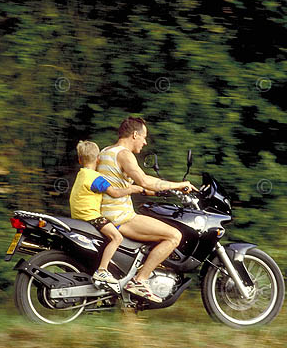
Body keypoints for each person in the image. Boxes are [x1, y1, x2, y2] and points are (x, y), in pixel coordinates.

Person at [98, 117, 197, 302]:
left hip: (105, 214)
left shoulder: (105, 152)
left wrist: (153, 192)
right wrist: (178, 185)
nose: (145, 142)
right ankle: (140, 280)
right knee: (174, 236)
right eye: (144, 137)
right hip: (120, 217)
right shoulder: (124, 154)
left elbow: (122, 183)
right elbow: (143, 180)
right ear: (134, 134)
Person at [69, 140, 147, 286]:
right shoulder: (96, 178)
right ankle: (102, 271)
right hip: (91, 217)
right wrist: (132, 189)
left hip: (78, 216)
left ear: (80, 160)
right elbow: (115, 193)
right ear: (98, 158)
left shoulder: (82, 175)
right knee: (117, 237)